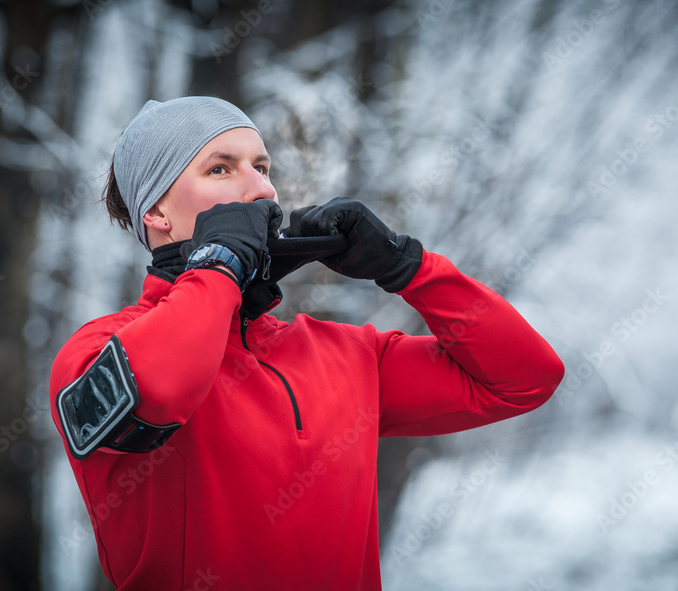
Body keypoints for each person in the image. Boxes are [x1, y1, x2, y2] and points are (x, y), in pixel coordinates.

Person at [48, 96, 564, 590]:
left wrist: (408, 267)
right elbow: (162, 390)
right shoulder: (95, 351)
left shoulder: (347, 355)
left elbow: (524, 379)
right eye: (220, 169)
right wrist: (219, 268)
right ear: (156, 212)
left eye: (263, 168)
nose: (262, 190)